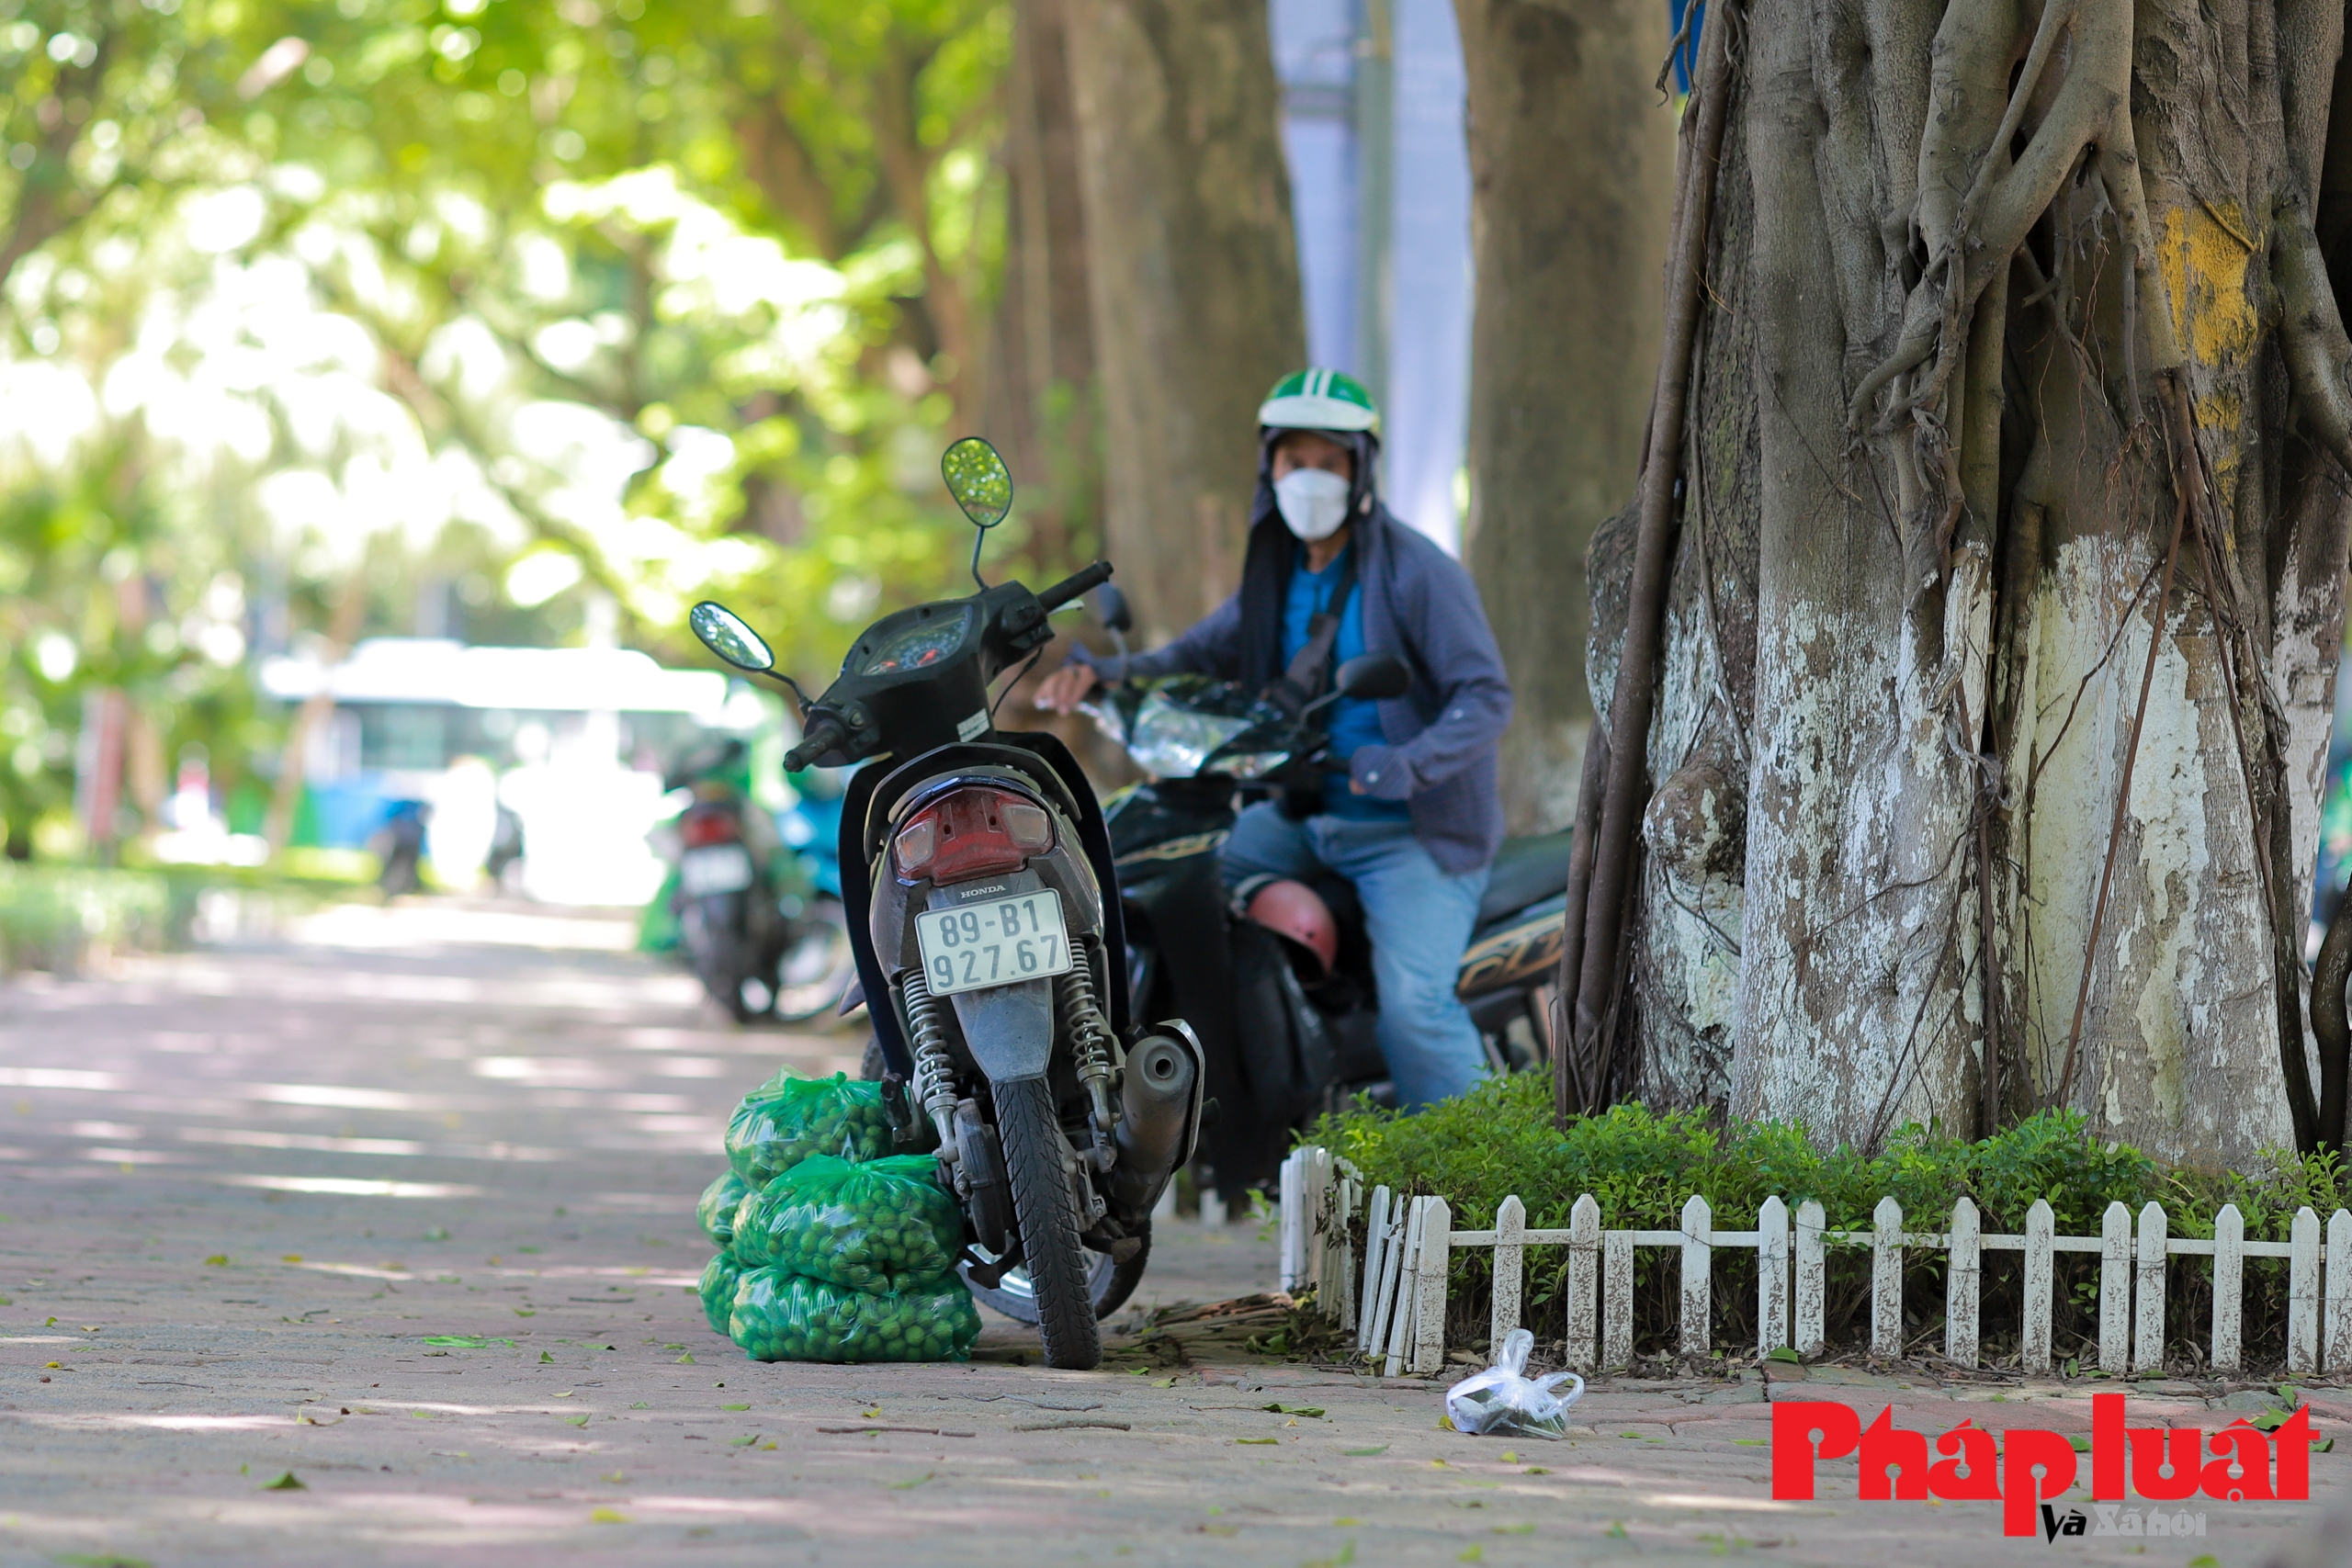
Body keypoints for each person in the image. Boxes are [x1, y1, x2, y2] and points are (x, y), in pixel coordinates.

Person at [1035, 368, 1512, 1108]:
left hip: (1410, 835)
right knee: (1168, 875)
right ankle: (1230, 1101)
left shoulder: (1417, 572)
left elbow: (1485, 696)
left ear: (1362, 468)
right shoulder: (1274, 573)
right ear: (1271, 468)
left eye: (1331, 462)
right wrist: (1102, 675)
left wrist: (1406, 764)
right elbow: (1193, 654)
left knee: (1416, 1011)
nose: (1311, 480)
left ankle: (1473, 1174)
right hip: (1297, 820)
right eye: (1297, 462)